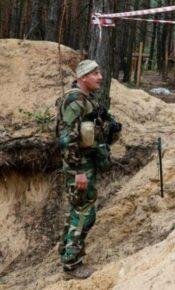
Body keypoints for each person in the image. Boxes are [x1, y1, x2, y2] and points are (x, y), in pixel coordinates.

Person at [55, 60, 121, 279]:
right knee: (85, 213)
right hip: (79, 166)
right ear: (83, 77)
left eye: (99, 72)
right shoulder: (74, 100)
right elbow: (66, 139)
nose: (100, 76)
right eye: (95, 73)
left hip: (86, 163)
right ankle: (72, 265)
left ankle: (66, 252)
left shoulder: (87, 99)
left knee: (78, 209)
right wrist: (78, 171)